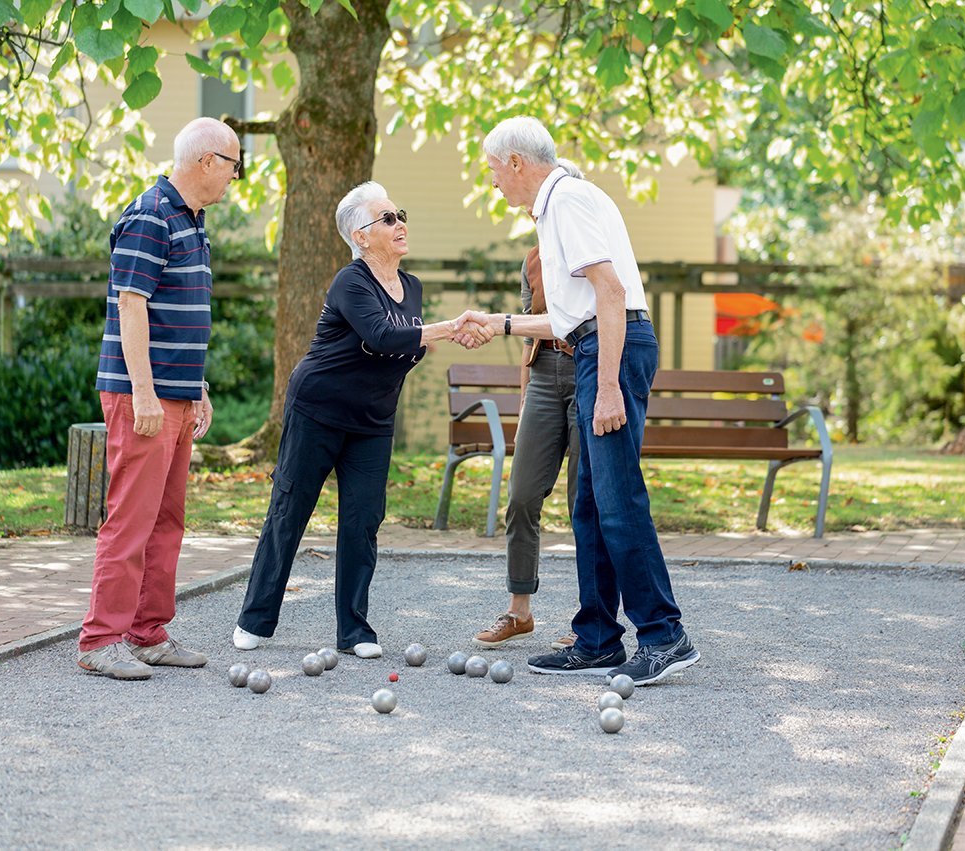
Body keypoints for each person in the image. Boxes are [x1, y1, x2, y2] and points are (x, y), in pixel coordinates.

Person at [459, 116, 700, 686]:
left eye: (495, 173)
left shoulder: (566, 200)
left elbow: (611, 293)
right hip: (596, 343)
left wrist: (610, 383)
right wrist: (500, 323)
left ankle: (665, 634)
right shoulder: (560, 204)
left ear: (517, 163)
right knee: (590, 503)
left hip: (610, 352)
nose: (495, 186)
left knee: (616, 499)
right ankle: (596, 639)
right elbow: (571, 313)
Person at [233, 181, 490, 658]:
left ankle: (354, 632)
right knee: (290, 511)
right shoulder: (349, 281)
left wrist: (442, 338)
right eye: (387, 218)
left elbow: (402, 348)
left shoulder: (411, 286)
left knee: (363, 519)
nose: (400, 225)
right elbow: (381, 334)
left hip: (373, 419)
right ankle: (255, 619)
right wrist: (443, 330)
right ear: (361, 234)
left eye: (400, 214)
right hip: (318, 409)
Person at [77, 117, 241, 680]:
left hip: (176, 396)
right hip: (139, 396)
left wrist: (197, 387)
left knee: (167, 519)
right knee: (131, 519)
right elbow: (132, 304)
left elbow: (182, 314)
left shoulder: (192, 222)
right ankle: (100, 640)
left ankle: (147, 633)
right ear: (206, 161)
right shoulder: (151, 214)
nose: (234, 178)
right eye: (233, 166)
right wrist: (145, 392)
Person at [471, 160, 585, 652]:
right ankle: (519, 611)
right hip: (543, 375)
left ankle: (593, 618)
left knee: (588, 502)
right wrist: (523, 400)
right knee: (521, 495)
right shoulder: (532, 260)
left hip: (585, 371)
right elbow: (529, 328)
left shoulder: (591, 246)